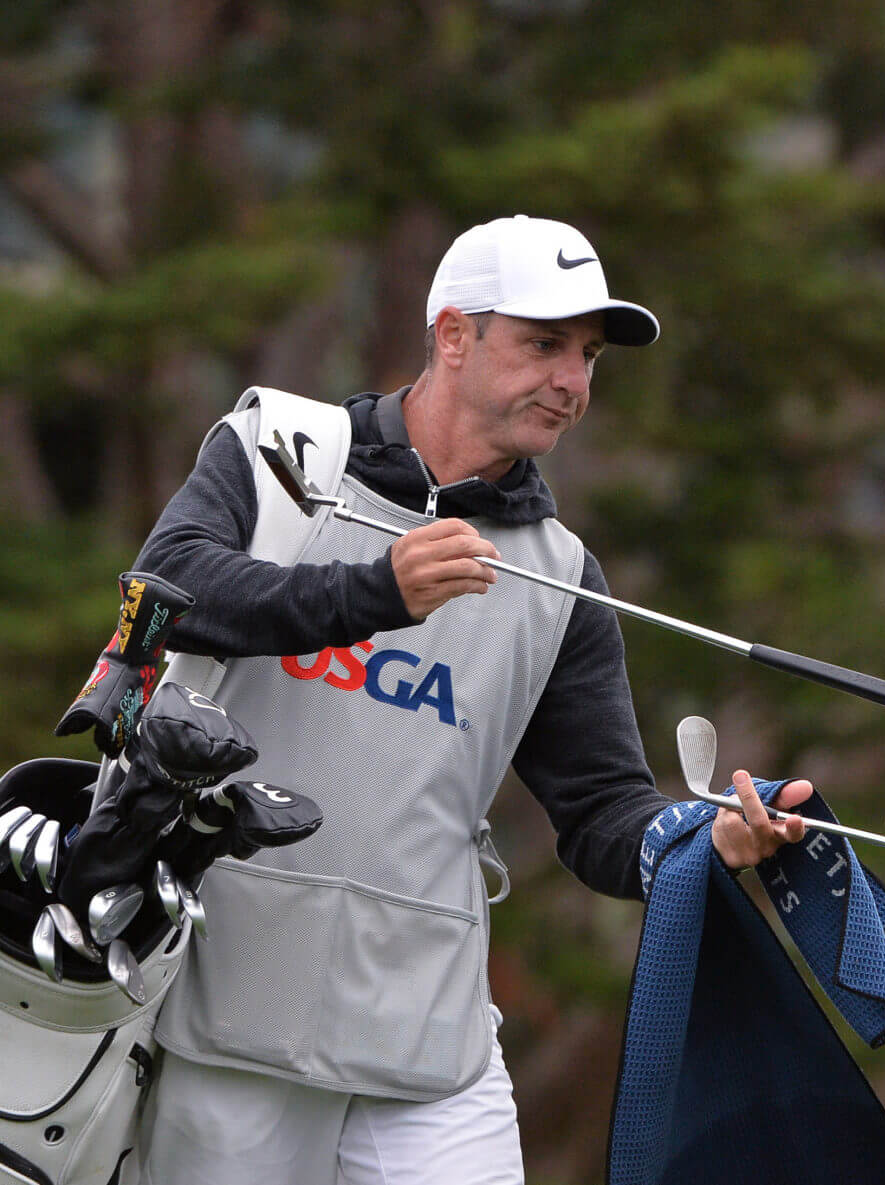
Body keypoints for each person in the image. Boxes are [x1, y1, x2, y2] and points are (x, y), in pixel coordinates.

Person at [126, 214, 809, 1185]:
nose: (571, 382)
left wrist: (704, 847)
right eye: (542, 345)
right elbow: (166, 590)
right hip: (220, 1022)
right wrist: (374, 593)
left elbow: (603, 817)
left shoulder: (562, 574)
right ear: (453, 335)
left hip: (428, 1050)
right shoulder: (279, 452)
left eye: (585, 357)